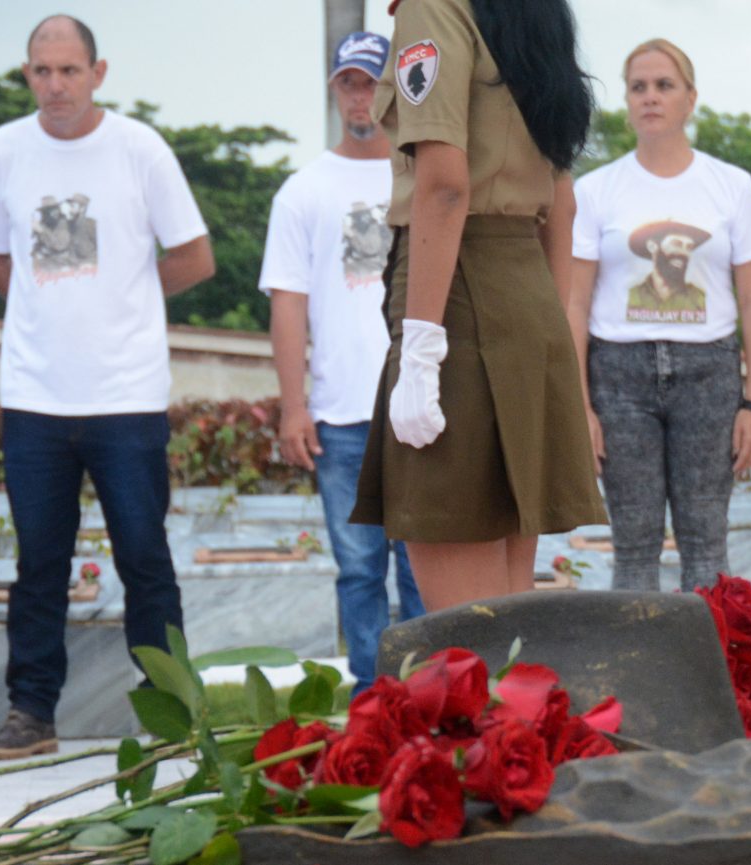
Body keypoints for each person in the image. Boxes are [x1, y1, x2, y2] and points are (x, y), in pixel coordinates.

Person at [0, 15, 214, 759]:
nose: (55, 85)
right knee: (38, 561)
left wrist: (125, 300)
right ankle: (30, 713)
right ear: (27, 74)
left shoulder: (139, 149)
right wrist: (41, 300)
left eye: (70, 71)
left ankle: (172, 711)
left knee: (144, 556)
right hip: (35, 398)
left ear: (98, 74)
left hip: (127, 397)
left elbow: (196, 257)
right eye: (42, 71)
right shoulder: (4, 150)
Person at [351, 0, 607, 611]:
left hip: (455, 289)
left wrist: (420, 348)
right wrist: (540, 325)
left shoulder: (433, 7)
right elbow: (562, 201)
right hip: (527, 282)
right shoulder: (529, 11)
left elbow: (443, 184)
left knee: (464, 635)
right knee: (510, 614)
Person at [568, 38, 751, 592]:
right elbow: (575, 301)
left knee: (706, 545)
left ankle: (705, 677)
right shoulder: (595, 191)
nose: (650, 97)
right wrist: (580, 405)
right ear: (627, 100)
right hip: (618, 377)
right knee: (634, 547)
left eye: (665, 85)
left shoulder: (732, 188)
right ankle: (637, 679)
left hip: (708, 374)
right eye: (638, 87)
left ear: (690, 98)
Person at [259, 31, 424, 695]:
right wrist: (294, 405)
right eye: (350, 83)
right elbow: (288, 304)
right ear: (337, 91)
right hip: (341, 411)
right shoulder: (303, 190)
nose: (362, 96)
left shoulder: (423, 173)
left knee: (422, 564)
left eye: (372, 82)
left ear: (393, 90)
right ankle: (369, 693)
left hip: (417, 405)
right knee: (358, 567)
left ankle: (427, 692)